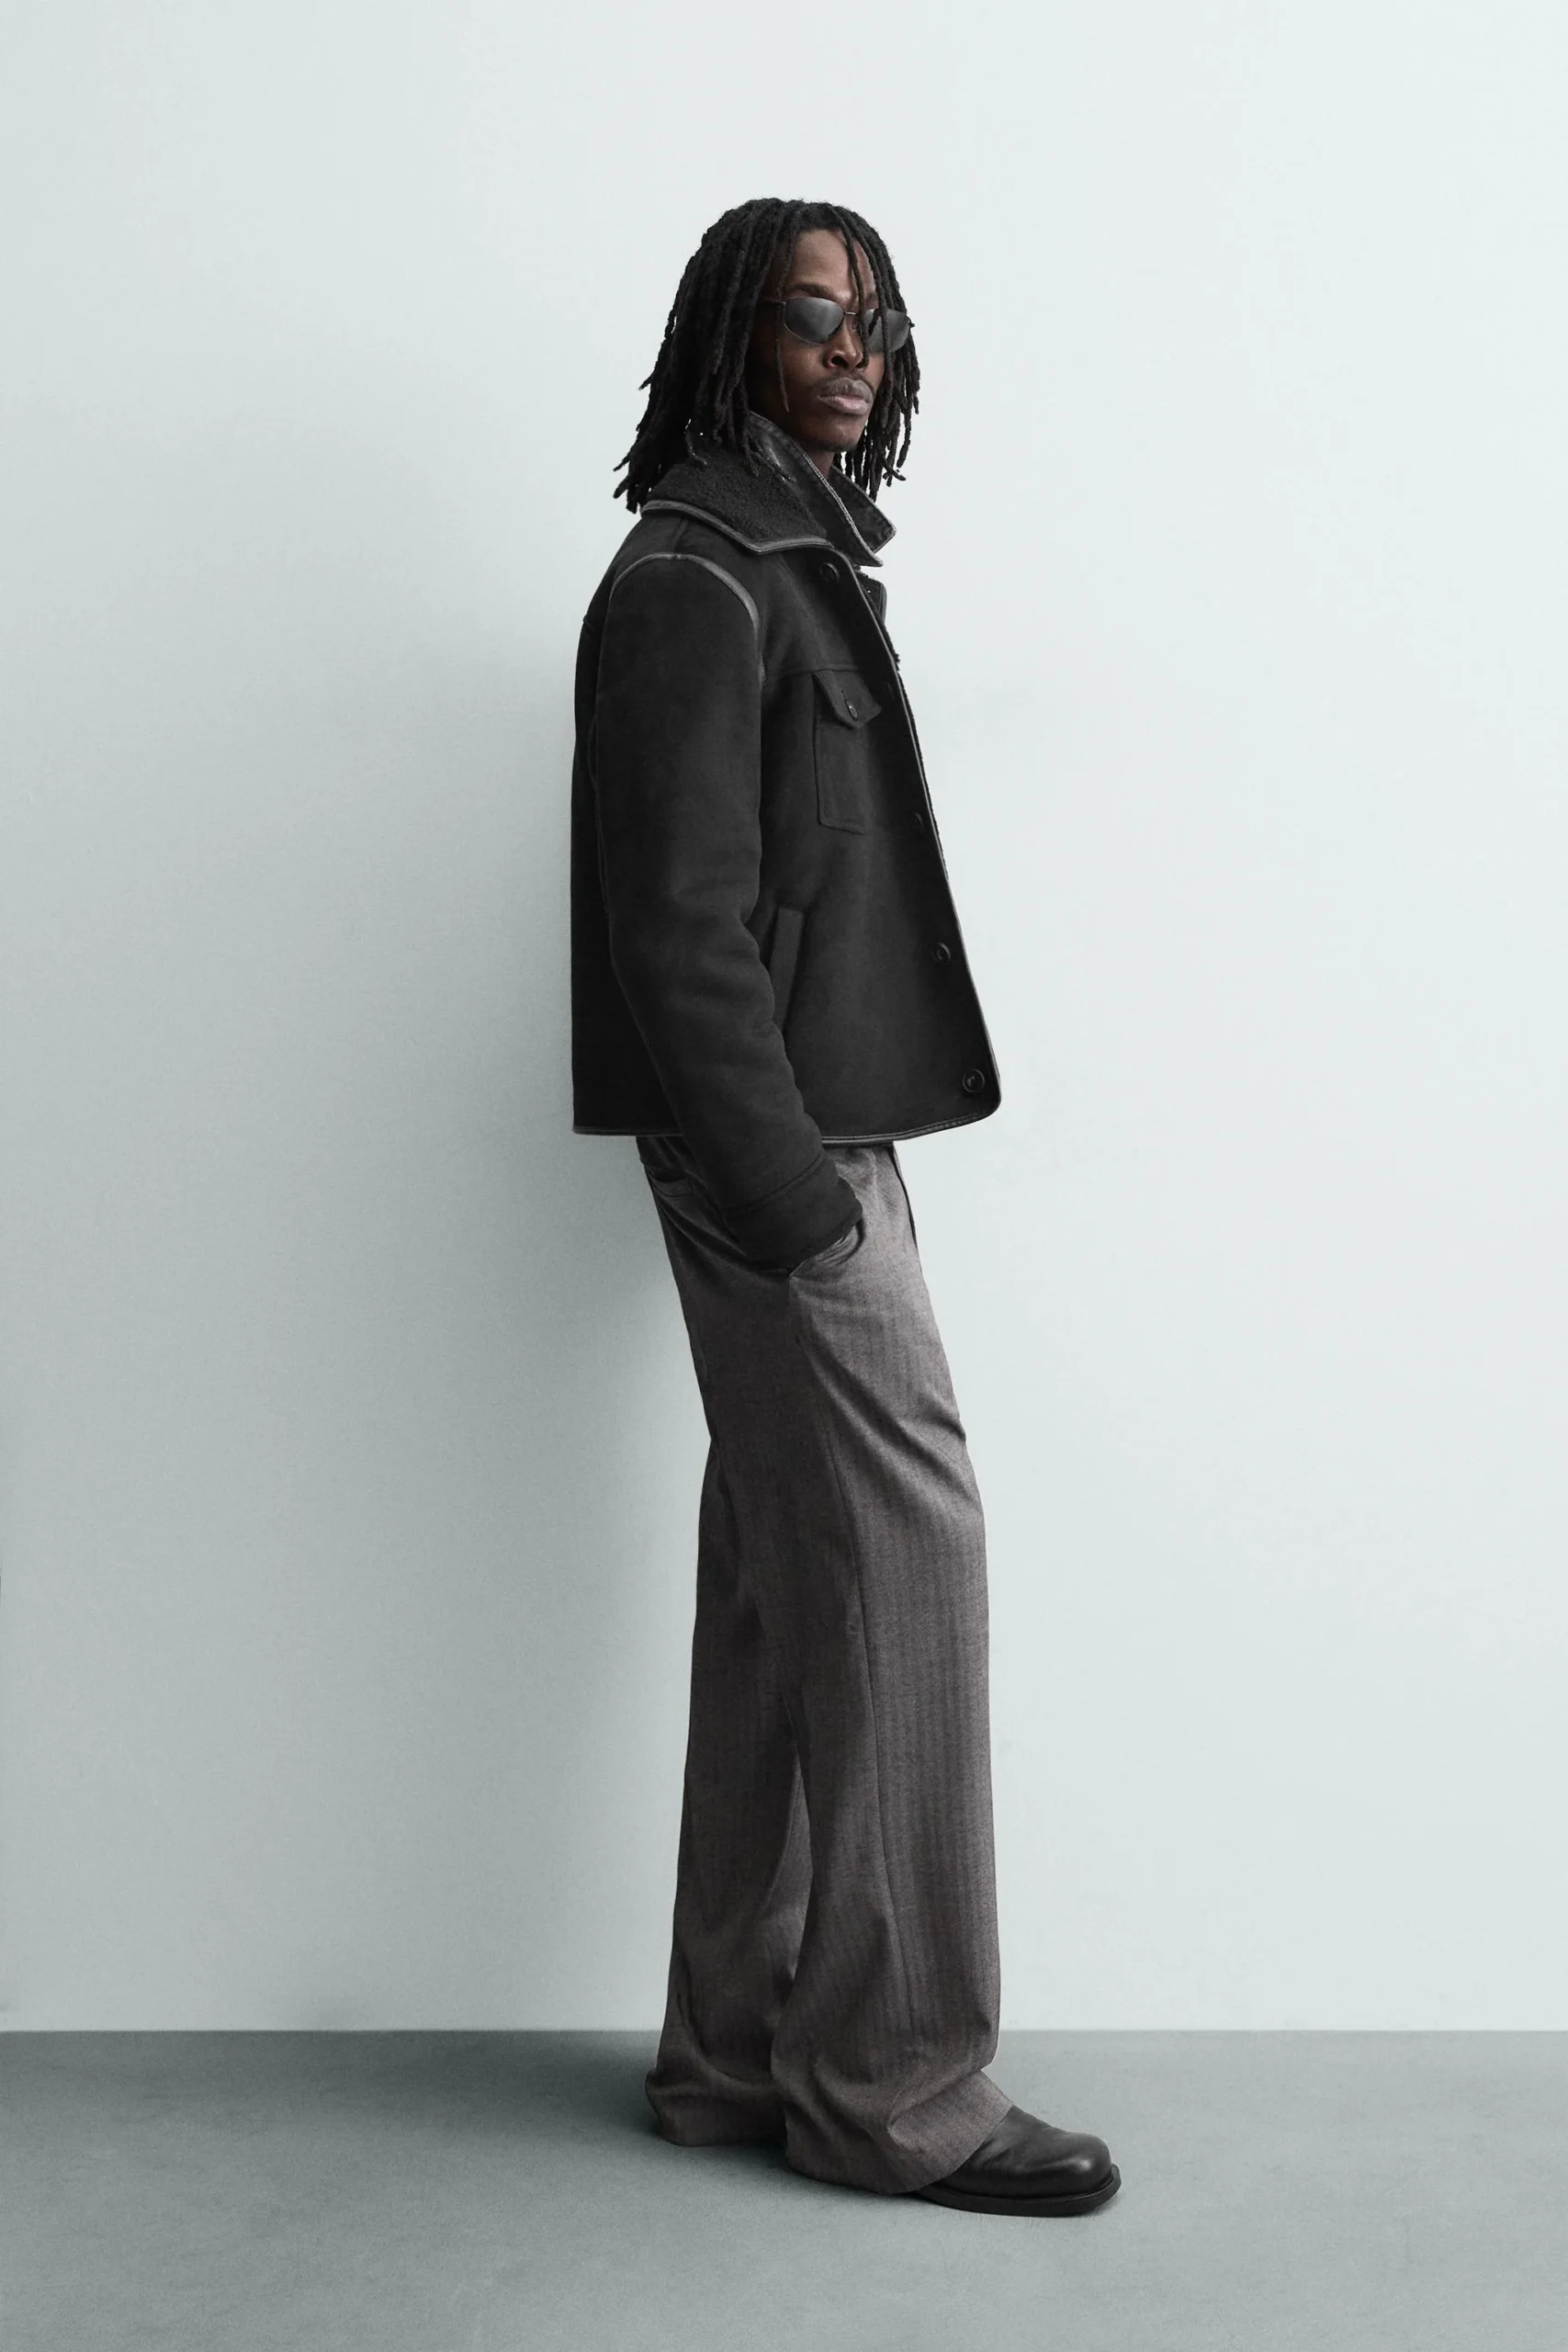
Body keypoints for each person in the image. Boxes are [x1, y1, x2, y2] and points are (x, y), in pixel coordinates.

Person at [570, 198, 1120, 2217]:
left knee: (782, 1578)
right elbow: (677, 931)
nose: (851, 348)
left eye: (873, 320)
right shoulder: (689, 581)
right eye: (809, 315)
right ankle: (900, 2089)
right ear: (730, 337)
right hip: (779, 1156)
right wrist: (801, 1205)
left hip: (810, 1139)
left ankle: (736, 2051)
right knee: (906, 1559)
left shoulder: (780, 562)